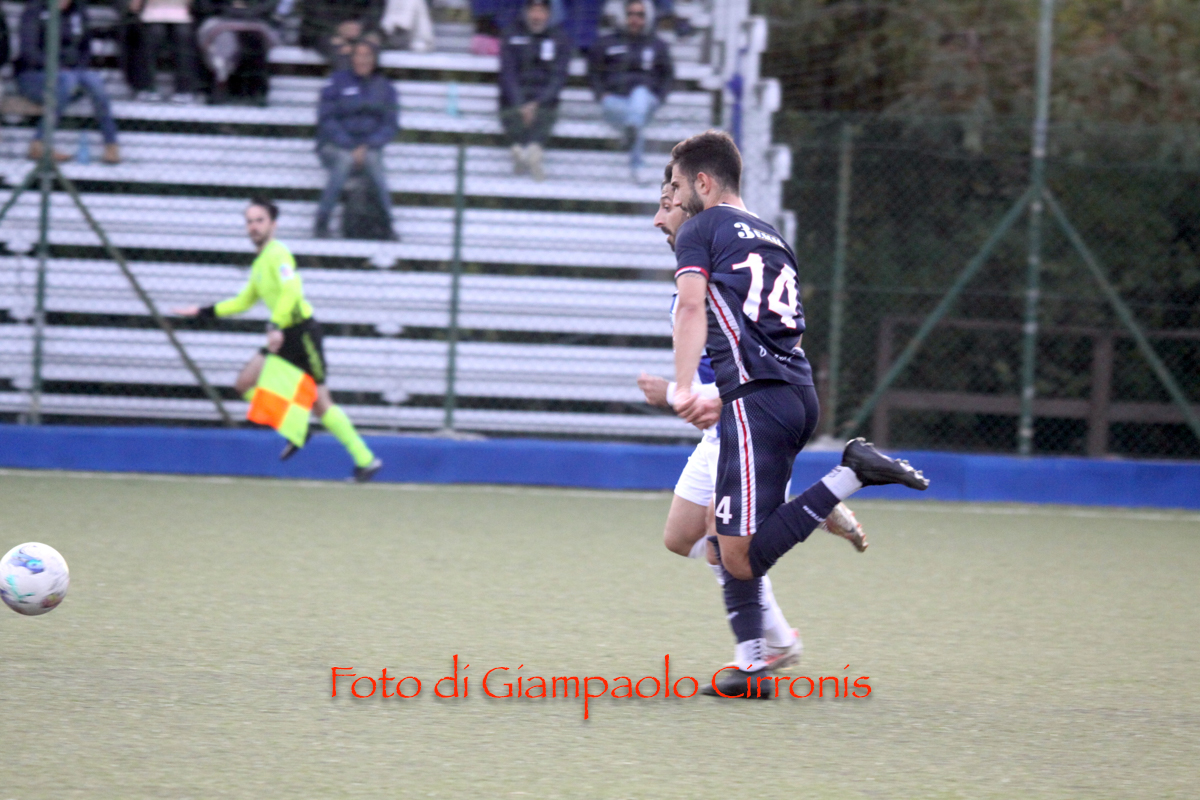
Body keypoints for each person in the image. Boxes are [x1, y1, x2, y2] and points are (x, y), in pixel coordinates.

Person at [667, 131, 928, 698]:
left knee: (737, 554)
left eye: (679, 186)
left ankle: (849, 476)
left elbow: (690, 307)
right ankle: (752, 666)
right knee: (718, 540)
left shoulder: (702, 229)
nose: (676, 199)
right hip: (793, 393)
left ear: (703, 183)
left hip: (756, 402)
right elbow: (785, 331)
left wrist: (682, 387)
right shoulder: (772, 237)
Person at [640, 165, 868, 671]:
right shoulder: (713, 267)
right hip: (725, 426)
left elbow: (762, 360)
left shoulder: (713, 269)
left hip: (746, 420)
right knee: (681, 537)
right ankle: (801, 511)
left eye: (667, 203)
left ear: (696, 204)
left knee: (725, 545)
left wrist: (690, 394)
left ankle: (768, 648)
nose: (658, 218)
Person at [173, 198, 384, 482]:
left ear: (273, 224)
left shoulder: (279, 253)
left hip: (302, 334)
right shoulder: (260, 263)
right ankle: (297, 429)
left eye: (259, 220)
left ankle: (365, 460)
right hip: (282, 336)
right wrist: (203, 311)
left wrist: (275, 325)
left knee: (321, 403)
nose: (253, 226)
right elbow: (243, 301)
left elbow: (292, 289)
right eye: (249, 221)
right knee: (244, 383)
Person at [16, 0, 121, 164]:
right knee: (67, 80)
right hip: (34, 75)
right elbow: (28, 52)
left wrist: (77, 66)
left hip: (71, 73)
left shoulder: (78, 11)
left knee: (95, 81)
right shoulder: (34, 10)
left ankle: (111, 145)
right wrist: (56, 67)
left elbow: (85, 48)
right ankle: (39, 143)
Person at [313, 40, 398, 239]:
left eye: (367, 55)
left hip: (369, 148)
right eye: (358, 55)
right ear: (352, 58)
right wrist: (350, 145)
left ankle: (388, 224)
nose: (362, 60)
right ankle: (322, 220)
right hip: (334, 146)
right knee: (344, 159)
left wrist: (367, 145)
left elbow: (390, 125)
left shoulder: (386, 88)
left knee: (373, 160)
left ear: (375, 59)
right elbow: (326, 118)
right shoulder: (336, 81)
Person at [588, 0, 672, 181]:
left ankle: (636, 160)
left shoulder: (658, 45)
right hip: (614, 101)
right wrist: (601, 94)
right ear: (623, 16)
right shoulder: (606, 43)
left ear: (648, 17)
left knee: (640, 93)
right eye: (630, 14)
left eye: (640, 15)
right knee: (635, 118)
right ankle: (633, 130)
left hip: (645, 100)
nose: (634, 19)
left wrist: (659, 97)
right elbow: (593, 72)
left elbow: (667, 75)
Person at [498, 0, 570, 182]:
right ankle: (529, 151)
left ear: (549, 14)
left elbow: (558, 78)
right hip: (515, 98)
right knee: (508, 106)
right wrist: (521, 104)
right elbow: (507, 74)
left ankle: (525, 151)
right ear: (526, 12)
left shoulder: (560, 39)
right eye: (533, 11)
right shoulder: (511, 34)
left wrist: (536, 104)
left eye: (541, 11)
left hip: (543, 100)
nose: (536, 16)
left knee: (547, 109)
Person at [194, 0, 280, 104]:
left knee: (254, 39)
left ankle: (254, 92)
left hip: (257, 19)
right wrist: (228, 10)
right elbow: (204, 5)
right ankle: (218, 88)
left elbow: (269, 5)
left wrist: (248, 11)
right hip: (219, 18)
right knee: (223, 42)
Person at [124, 0, 202, 103]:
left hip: (182, 13)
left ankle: (185, 90)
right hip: (151, 13)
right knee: (153, 34)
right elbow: (133, 7)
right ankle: (146, 88)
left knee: (183, 36)